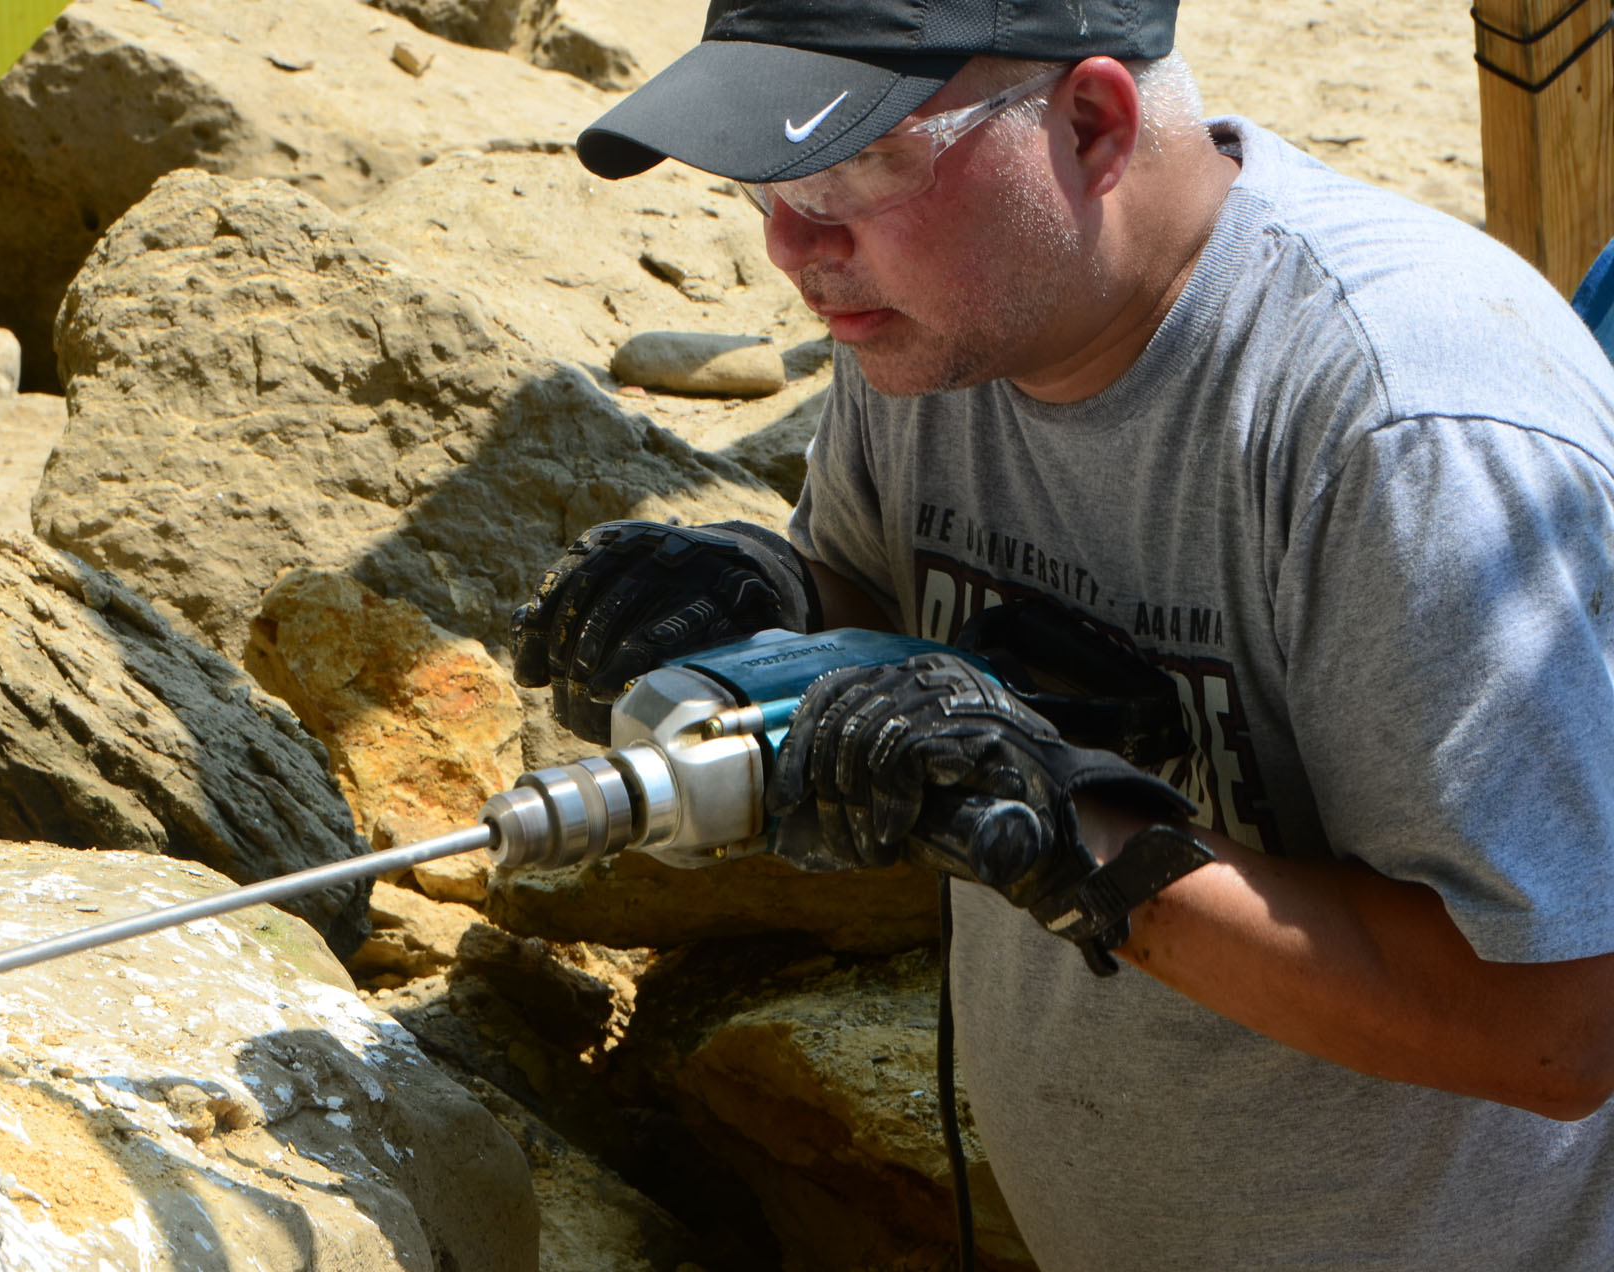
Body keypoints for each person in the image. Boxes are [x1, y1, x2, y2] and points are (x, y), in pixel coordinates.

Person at [508, 1, 1614, 1268]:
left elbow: (1557, 1031)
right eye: (764, 183)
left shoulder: (1407, 428)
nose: (791, 245)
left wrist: (1070, 840)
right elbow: (896, 618)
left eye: (851, 169)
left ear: (1091, 124)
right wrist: (779, 614)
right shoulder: (944, 323)